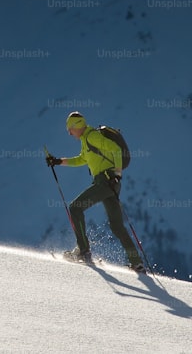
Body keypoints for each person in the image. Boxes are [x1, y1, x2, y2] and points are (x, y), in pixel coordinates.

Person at [46, 111, 146, 272]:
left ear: (77, 126)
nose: (69, 133)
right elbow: (81, 159)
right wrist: (58, 161)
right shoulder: (86, 140)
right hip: (110, 183)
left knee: (75, 207)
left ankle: (83, 251)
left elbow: (115, 149)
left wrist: (117, 174)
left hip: (106, 181)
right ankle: (136, 262)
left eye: (70, 129)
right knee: (117, 226)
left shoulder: (92, 136)